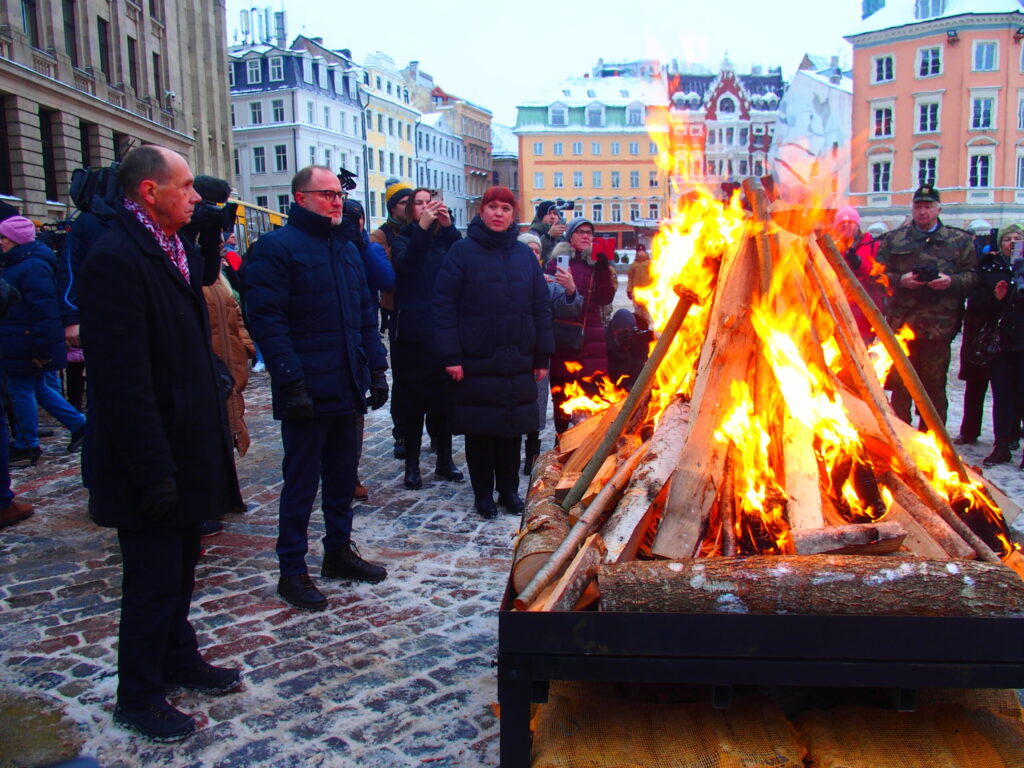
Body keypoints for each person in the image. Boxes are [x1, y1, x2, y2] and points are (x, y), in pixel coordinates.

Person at [78, 146, 242, 742]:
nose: (196, 195)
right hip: (148, 455)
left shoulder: (165, 244)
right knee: (151, 578)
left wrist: (203, 239)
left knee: (181, 568)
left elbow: (197, 286)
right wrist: (153, 470)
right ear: (149, 192)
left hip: (186, 442)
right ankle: (139, 693)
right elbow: (122, 380)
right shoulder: (116, 258)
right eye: (185, 187)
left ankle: (179, 656)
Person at [243, 165, 389, 612]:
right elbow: (266, 321)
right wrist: (291, 381)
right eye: (325, 194)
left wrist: (378, 368)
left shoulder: (345, 247)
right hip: (305, 386)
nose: (335, 201)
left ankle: (338, 552)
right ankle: (292, 570)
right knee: (302, 482)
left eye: (338, 195)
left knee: (343, 477)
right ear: (300, 198)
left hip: (346, 382)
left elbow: (366, 312)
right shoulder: (275, 248)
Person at [435, 187, 552, 518]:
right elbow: (443, 307)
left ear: (513, 215)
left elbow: (540, 306)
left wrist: (542, 355)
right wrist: (451, 355)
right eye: (492, 207)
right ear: (481, 211)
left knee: (512, 430)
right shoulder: (461, 252)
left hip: (517, 359)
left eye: (505, 208)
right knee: (481, 431)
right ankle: (483, 494)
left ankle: (509, 491)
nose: (498, 213)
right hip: (475, 359)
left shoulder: (522, 257)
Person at [876, 185, 977, 428]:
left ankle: (933, 442)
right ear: (912, 209)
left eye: (928, 207)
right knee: (900, 387)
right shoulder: (894, 239)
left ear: (938, 209)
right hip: (902, 326)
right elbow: (876, 276)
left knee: (933, 388)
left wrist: (950, 282)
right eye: (918, 207)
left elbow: (973, 276)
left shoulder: (959, 240)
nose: (923, 212)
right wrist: (900, 280)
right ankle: (901, 439)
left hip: (938, 328)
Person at [390, 188, 464, 490]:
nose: (425, 208)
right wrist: (422, 229)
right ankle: (412, 464)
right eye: (418, 203)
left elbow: (463, 258)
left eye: (429, 203)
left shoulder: (445, 240)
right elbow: (407, 265)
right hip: (412, 333)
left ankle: (445, 460)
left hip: (443, 330)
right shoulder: (405, 237)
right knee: (412, 402)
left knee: (443, 401)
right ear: (411, 211)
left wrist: (448, 226)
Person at [0, 216, 86, 466]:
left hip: (26, 340)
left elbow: (43, 309)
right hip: (22, 338)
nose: (1, 242)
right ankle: (78, 424)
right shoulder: (22, 262)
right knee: (37, 388)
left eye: (4, 237)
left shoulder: (31, 266)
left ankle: (28, 442)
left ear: (16, 239)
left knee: (22, 390)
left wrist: (40, 344)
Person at [343, 197, 395, 501]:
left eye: (355, 217)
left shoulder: (366, 248)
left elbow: (384, 279)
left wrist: (361, 242)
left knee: (354, 415)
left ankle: (350, 473)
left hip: (359, 342)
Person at [545, 218, 616, 434]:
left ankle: (584, 444)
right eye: (580, 232)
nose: (586, 236)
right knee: (561, 393)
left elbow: (606, 298)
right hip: (564, 338)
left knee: (590, 392)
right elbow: (551, 299)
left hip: (592, 338)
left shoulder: (598, 265)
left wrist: (603, 267)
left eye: (589, 233)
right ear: (571, 236)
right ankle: (560, 438)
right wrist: (567, 289)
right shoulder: (558, 262)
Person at [518, 231, 581, 473]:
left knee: (536, 403)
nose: (534, 254)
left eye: (537, 251)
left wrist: (569, 290)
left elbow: (571, 307)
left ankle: (532, 456)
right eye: (529, 250)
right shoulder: (507, 278)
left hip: (538, 353)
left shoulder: (547, 281)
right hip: (513, 350)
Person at [970, 224, 1024, 465]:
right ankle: (1001, 446)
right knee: (1001, 396)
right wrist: (996, 299)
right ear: (1000, 243)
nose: (1012, 243)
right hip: (1000, 344)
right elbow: (979, 307)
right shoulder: (991, 268)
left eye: (1018, 238)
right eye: (1008, 239)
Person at [371, 178, 412, 459]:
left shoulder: (425, 231)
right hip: (398, 311)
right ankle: (402, 434)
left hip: (425, 312)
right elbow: (390, 273)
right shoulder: (382, 236)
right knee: (404, 380)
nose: (409, 208)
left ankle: (436, 433)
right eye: (403, 203)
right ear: (392, 207)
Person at [831, 205, 885, 342]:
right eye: (842, 223)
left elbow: (879, 276)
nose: (846, 226)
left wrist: (859, 264)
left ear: (857, 225)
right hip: (839, 311)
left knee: (862, 351)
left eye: (850, 223)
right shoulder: (831, 247)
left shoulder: (872, 244)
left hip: (864, 313)